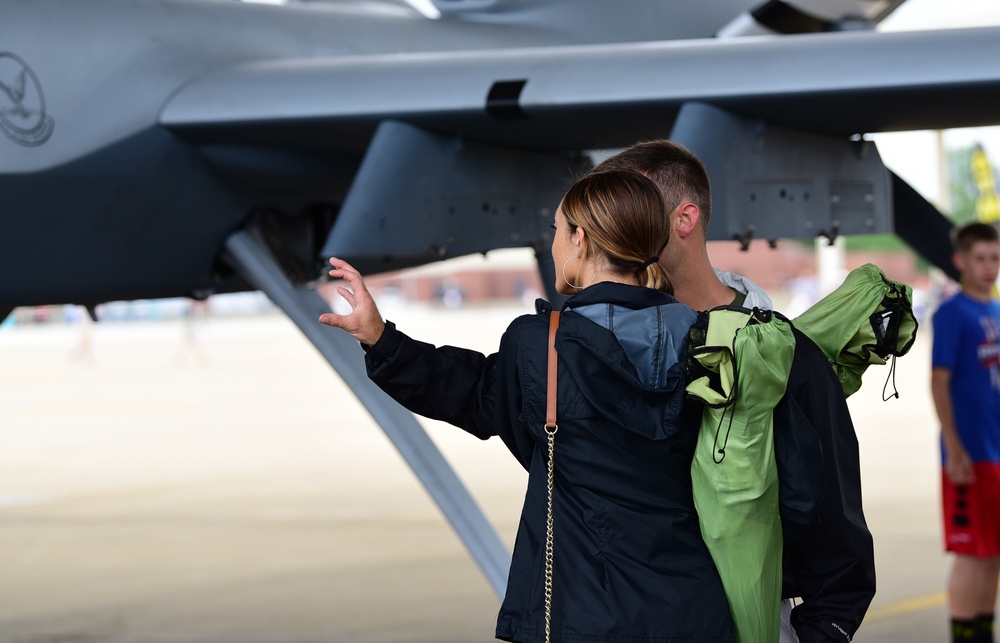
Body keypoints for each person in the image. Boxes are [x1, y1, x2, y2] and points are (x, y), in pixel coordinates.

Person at [319, 170, 737, 643]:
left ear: (580, 240)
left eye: (558, 231)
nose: (555, 244)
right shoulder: (714, 342)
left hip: (584, 616)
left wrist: (380, 340)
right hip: (696, 609)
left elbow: (475, 395)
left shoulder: (542, 347)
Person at [595, 140, 876, 643]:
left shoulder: (781, 349)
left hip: (761, 617)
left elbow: (832, 504)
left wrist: (825, 628)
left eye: (630, 209)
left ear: (685, 220)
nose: (611, 229)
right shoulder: (598, 346)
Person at [931, 222, 1000, 643]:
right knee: (971, 554)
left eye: (995, 258)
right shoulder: (953, 313)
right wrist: (954, 448)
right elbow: (939, 382)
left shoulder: (995, 310)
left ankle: (983, 630)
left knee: (993, 553)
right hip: (969, 453)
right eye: (980, 258)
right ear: (961, 261)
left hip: (996, 450)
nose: (989, 266)